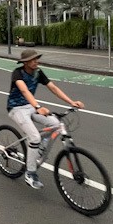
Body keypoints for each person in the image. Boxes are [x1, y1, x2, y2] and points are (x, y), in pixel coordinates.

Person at [7, 49, 85, 190]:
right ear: (25, 62)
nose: (36, 61)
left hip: (30, 106)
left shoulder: (38, 72)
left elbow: (53, 88)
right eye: (32, 59)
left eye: (37, 58)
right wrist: (37, 107)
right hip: (16, 108)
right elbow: (24, 90)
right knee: (35, 137)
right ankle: (30, 174)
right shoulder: (17, 73)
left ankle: (39, 150)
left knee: (55, 123)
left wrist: (71, 102)